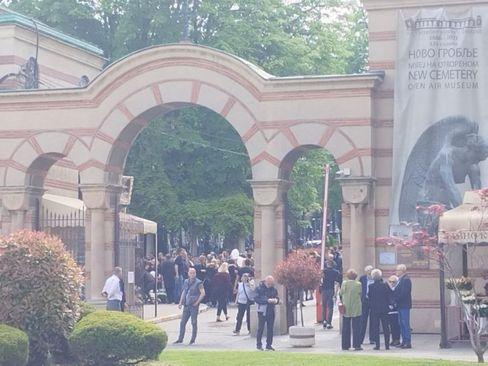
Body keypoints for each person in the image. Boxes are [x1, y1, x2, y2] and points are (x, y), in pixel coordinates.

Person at [174, 268, 205, 345]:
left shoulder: (199, 282)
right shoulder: (186, 281)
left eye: (193, 273)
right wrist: (180, 302)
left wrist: (197, 302)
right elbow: (184, 291)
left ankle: (192, 340)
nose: (192, 274)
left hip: (194, 305)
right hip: (187, 304)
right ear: (188, 273)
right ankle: (180, 339)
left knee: (193, 322)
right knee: (182, 322)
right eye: (191, 273)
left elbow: (203, 293)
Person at [339, 269, 363, 351]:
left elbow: (341, 293)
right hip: (356, 307)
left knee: (345, 327)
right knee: (356, 327)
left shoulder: (344, 283)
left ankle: (345, 345)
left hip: (346, 307)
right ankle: (357, 345)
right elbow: (360, 293)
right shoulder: (358, 284)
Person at [368, 269, 391, 350]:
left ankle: (377, 345)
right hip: (384, 308)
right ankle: (387, 345)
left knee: (376, 327)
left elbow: (369, 298)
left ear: (373, 277)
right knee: (386, 327)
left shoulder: (371, 287)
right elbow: (389, 295)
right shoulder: (385, 285)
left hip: (374, 309)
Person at [255, 275, 279, 351]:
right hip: (262, 311)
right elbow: (257, 299)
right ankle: (259, 345)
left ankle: (269, 345)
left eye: (271, 284)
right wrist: (267, 300)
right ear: (265, 282)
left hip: (271, 310)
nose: (270, 285)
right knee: (260, 328)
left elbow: (277, 297)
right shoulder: (259, 288)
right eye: (269, 283)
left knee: (270, 329)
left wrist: (276, 300)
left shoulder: (273, 289)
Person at [394, 264, 412, 349]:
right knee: (401, 323)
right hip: (400, 305)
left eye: (397, 270)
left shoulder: (406, 280)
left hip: (404, 305)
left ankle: (407, 342)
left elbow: (404, 293)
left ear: (402, 271)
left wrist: (395, 299)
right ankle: (404, 341)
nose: (396, 272)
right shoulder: (400, 280)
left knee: (405, 323)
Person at [320, 260, 342, 329]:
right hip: (331, 290)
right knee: (330, 307)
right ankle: (329, 322)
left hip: (324, 290)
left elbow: (320, 281)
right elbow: (337, 282)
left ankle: (324, 321)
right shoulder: (336, 272)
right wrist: (336, 293)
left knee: (324, 306)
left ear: (327, 264)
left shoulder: (323, 271)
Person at [359, 265, 374, 345]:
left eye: (371, 270)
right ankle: (360, 339)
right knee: (363, 320)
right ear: (366, 272)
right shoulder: (362, 278)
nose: (370, 272)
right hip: (364, 301)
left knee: (373, 320)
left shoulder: (376, 278)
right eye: (368, 271)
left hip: (373, 302)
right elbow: (359, 289)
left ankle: (373, 338)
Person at [387, 275, 401, 346]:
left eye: (393, 282)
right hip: (389, 310)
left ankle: (397, 339)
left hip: (396, 310)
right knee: (392, 326)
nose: (391, 283)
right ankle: (393, 339)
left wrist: (394, 304)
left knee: (396, 326)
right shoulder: (388, 289)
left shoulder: (398, 288)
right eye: (390, 281)